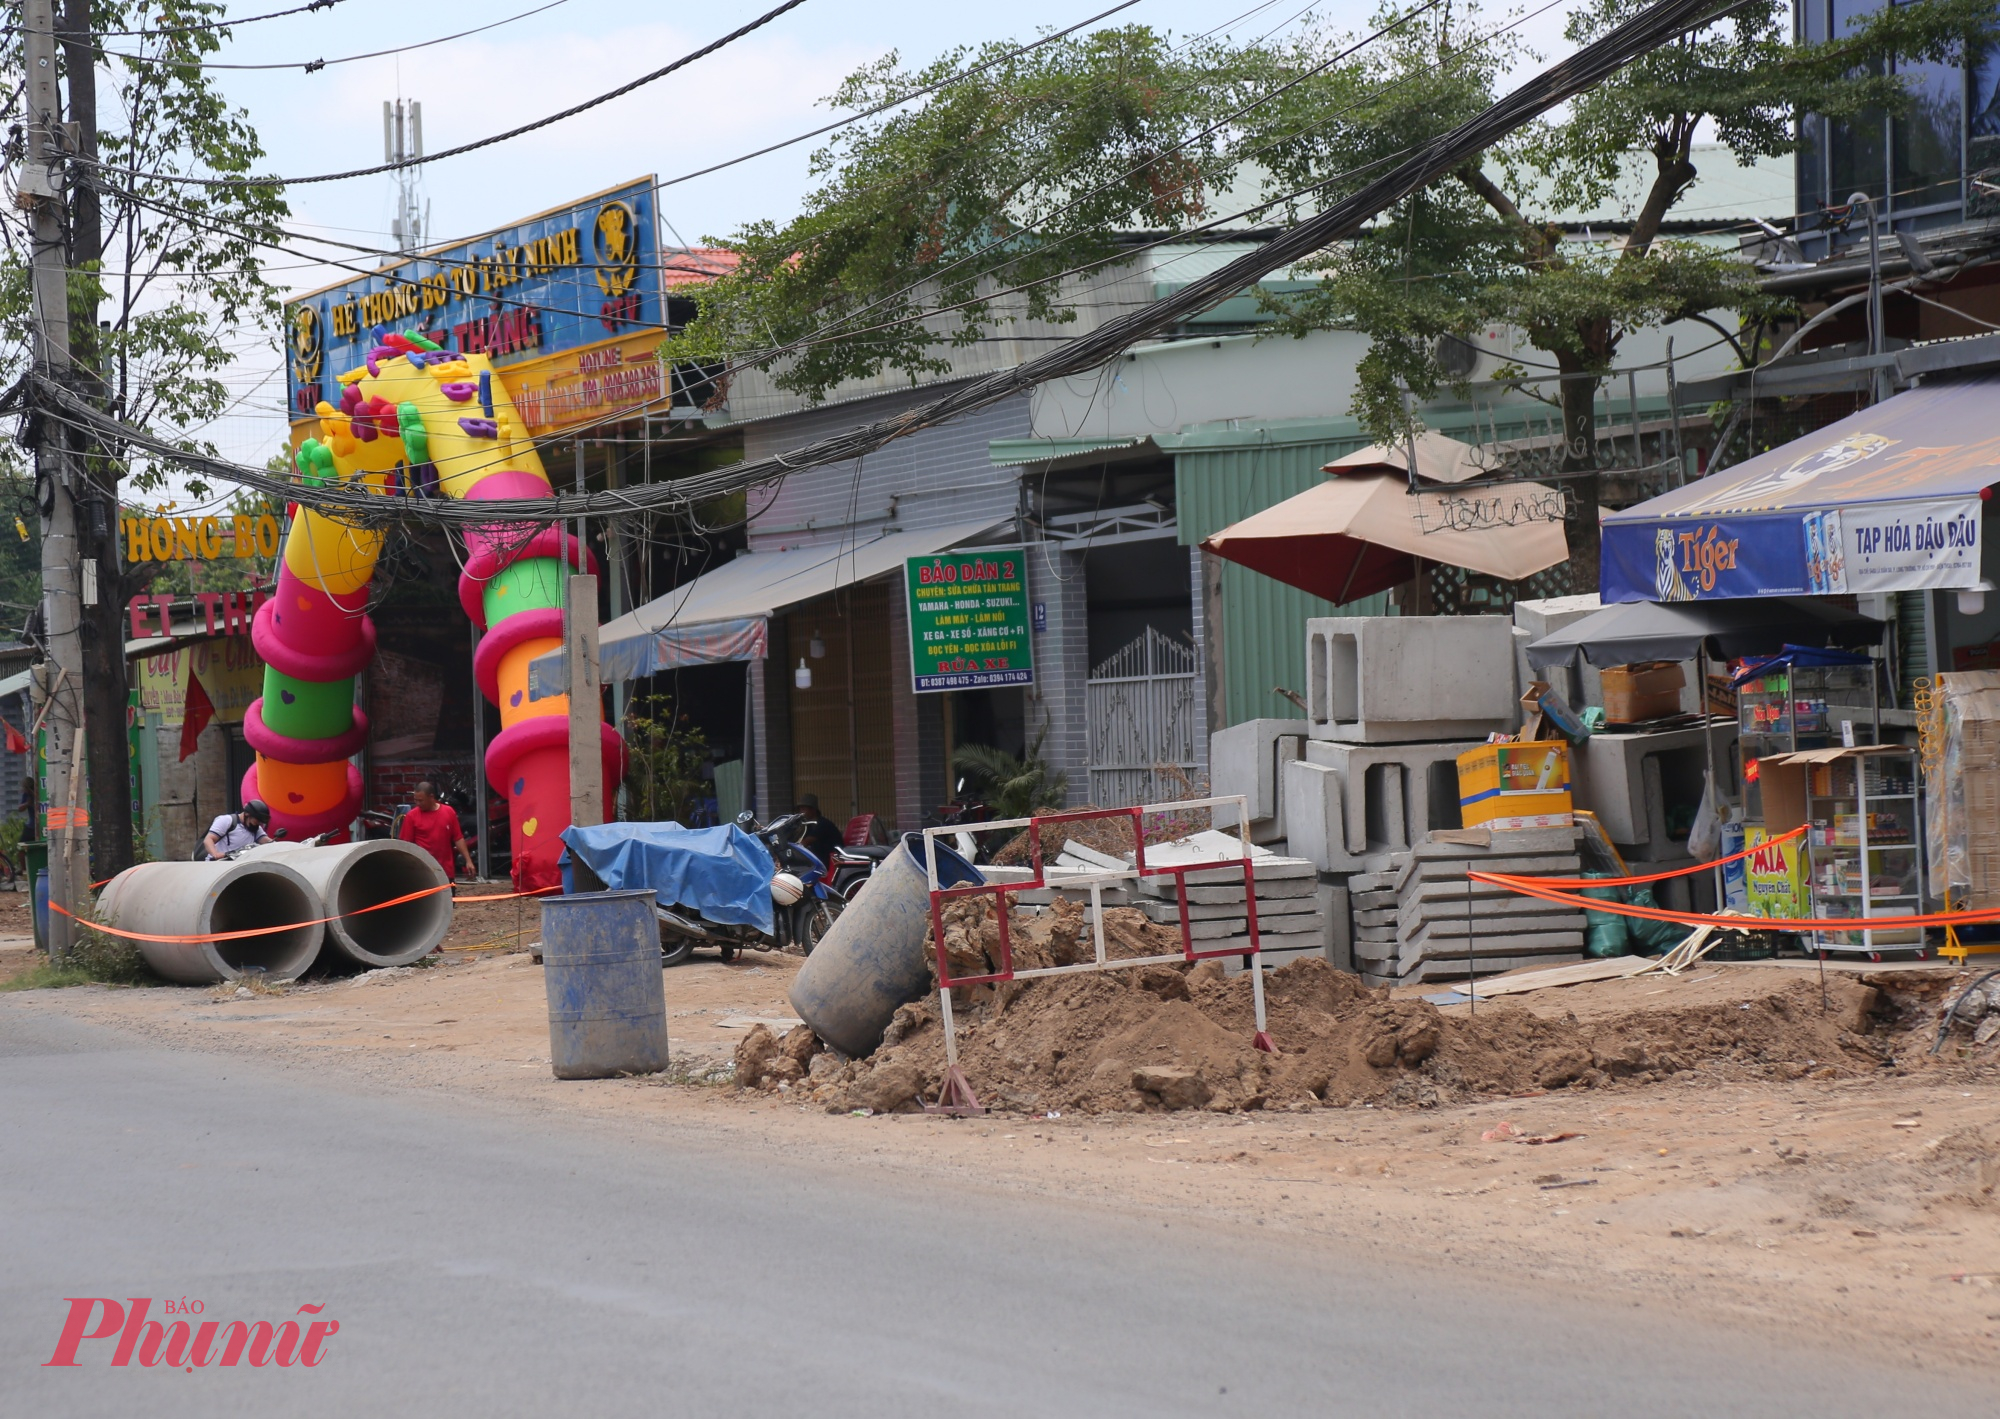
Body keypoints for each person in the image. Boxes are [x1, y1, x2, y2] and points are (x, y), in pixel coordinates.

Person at [399, 780, 473, 880]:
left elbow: (458, 838)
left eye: (421, 800)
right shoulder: (411, 816)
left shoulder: (448, 812)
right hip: (422, 872)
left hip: (445, 871)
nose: (418, 804)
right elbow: (405, 845)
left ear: (431, 797)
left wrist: (468, 860)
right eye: (415, 800)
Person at [200, 800, 272, 860]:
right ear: (247, 814)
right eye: (257, 820)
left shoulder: (255, 828)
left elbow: (266, 841)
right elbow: (209, 839)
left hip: (238, 865)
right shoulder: (227, 821)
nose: (258, 824)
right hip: (219, 863)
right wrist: (215, 854)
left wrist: (276, 843)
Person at [794, 793, 842, 864]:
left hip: (831, 859)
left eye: (804, 809)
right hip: (820, 857)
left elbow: (805, 842)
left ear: (813, 809)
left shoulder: (822, 824)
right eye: (800, 809)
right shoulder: (809, 825)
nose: (801, 812)